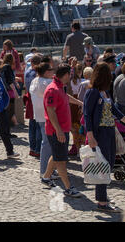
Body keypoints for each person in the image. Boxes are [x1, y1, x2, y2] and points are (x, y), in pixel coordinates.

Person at [84, 62, 125, 213]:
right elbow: (87, 115)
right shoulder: (92, 92)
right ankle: (102, 202)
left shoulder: (105, 93)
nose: (112, 78)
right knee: (103, 166)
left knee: (110, 163)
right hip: (100, 133)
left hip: (110, 131)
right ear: (104, 77)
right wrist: (90, 135)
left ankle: (102, 196)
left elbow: (115, 110)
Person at [41, 64, 83, 198]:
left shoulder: (60, 87)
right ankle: (68, 187)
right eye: (70, 74)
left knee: (57, 154)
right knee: (61, 160)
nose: (71, 77)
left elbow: (66, 97)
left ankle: (46, 177)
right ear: (65, 75)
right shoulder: (52, 89)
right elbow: (50, 111)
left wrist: (80, 103)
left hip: (62, 129)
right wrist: (58, 130)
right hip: (56, 131)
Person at [30, 62, 58, 179]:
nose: (53, 72)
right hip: (47, 116)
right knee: (47, 144)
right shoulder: (46, 82)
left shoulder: (35, 80)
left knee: (48, 144)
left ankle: (49, 169)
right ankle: (44, 172)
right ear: (46, 72)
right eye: (51, 70)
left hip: (40, 116)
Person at [24, 55, 43, 157]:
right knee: (38, 126)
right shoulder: (36, 74)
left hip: (30, 101)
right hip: (37, 101)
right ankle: (37, 149)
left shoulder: (27, 72)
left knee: (32, 126)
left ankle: (32, 148)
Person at [0, 54, 20, 130]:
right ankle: (7, 129)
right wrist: (16, 92)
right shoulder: (8, 67)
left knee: (6, 111)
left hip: (3, 91)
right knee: (10, 111)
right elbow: (10, 81)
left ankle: (5, 128)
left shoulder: (2, 67)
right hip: (9, 92)